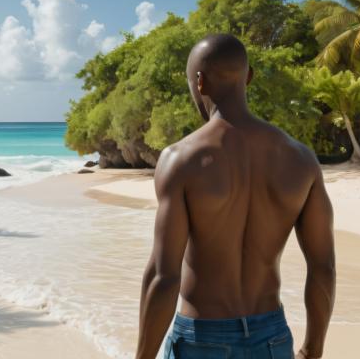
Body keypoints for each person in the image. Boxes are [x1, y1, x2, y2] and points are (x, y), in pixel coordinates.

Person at [135, 34, 335, 359]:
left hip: (202, 339)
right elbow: (323, 266)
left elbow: (163, 275)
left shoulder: (181, 159)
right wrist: (313, 350)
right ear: (250, 77)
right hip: (272, 338)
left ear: (199, 83)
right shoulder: (301, 158)